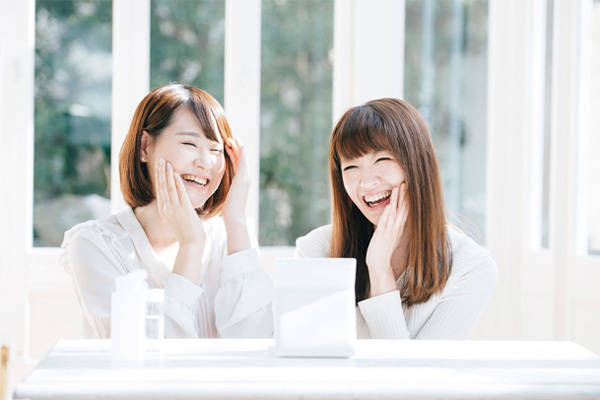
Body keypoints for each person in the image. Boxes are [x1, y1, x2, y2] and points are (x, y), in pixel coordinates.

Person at [61, 84, 273, 339]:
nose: (205, 162)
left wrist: (235, 218)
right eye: (189, 143)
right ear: (144, 147)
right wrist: (191, 244)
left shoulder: (229, 237)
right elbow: (152, 356)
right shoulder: (96, 244)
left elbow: (254, 344)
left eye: (216, 150)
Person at [295, 98, 498, 340]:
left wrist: (380, 269)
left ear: (417, 164)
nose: (367, 182)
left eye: (382, 159)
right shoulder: (316, 252)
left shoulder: (471, 268)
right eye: (350, 167)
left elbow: (404, 366)